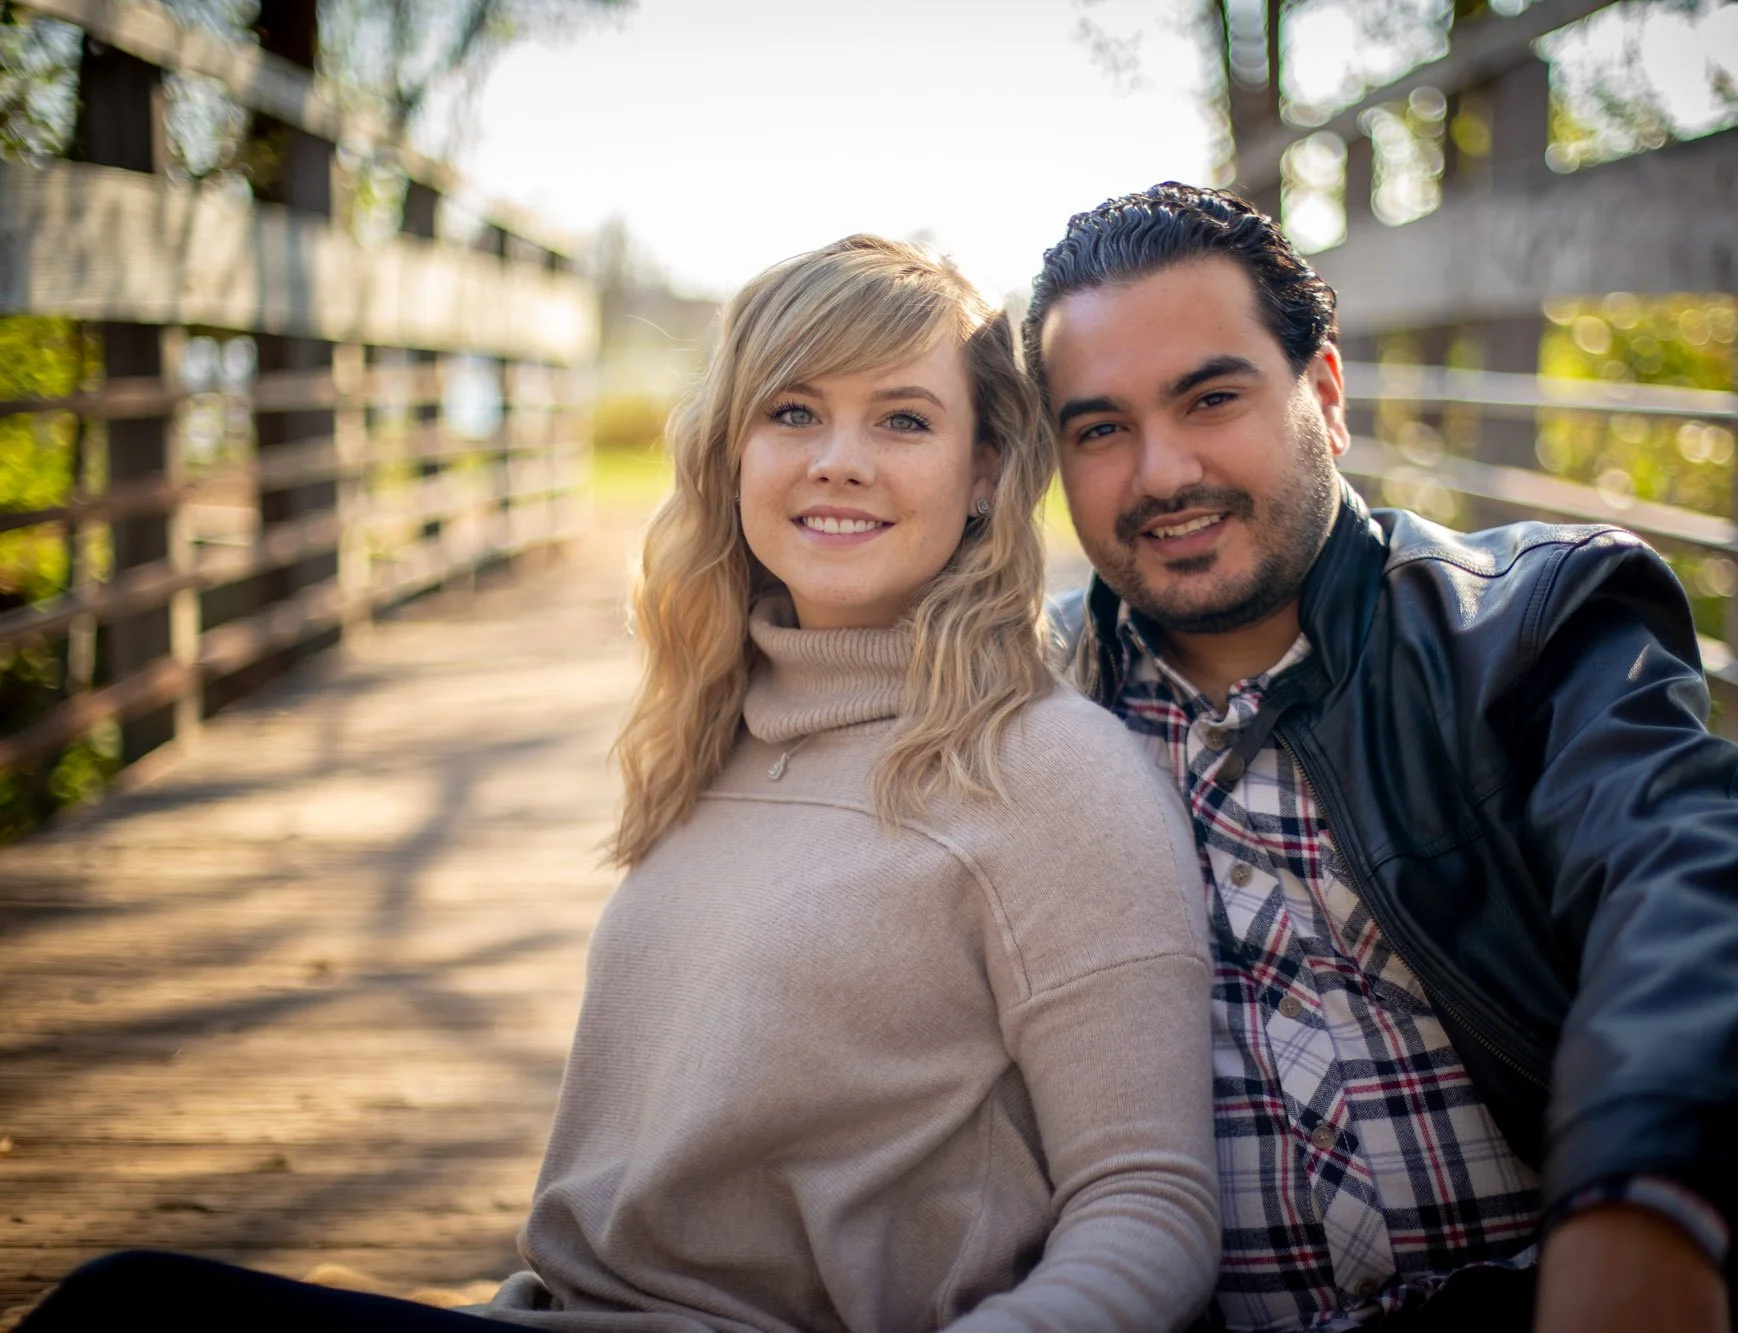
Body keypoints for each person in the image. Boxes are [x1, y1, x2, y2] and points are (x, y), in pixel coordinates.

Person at [20, 237, 1221, 1331]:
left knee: (124, 1318)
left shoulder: (1046, 770)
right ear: (730, 450)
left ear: (982, 473)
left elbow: (1148, 1206)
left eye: (902, 421)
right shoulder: (717, 734)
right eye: (791, 411)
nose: (837, 462)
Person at [1027, 183, 1738, 1333]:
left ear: (1324, 396)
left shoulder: (1526, 626)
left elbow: (1702, 877)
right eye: (1100, 428)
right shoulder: (1031, 702)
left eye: (1210, 397)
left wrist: (1640, 1204)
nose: (1160, 472)